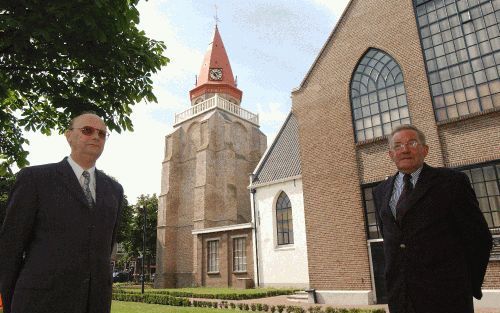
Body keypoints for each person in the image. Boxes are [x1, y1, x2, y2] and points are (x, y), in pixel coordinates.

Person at [0, 112, 124, 313]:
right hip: (39, 303)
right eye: (87, 130)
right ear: (69, 136)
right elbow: (10, 248)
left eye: (102, 134)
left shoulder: (115, 191)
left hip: (94, 304)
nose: (95, 137)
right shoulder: (35, 179)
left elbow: (105, 247)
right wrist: (10, 303)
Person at [373, 124, 492, 313]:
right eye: (397, 146)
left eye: (412, 143)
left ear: (425, 150)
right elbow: (391, 241)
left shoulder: (452, 182)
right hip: (400, 298)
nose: (404, 149)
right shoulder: (379, 191)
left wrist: (467, 284)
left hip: (447, 298)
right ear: (391, 154)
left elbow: (479, 238)